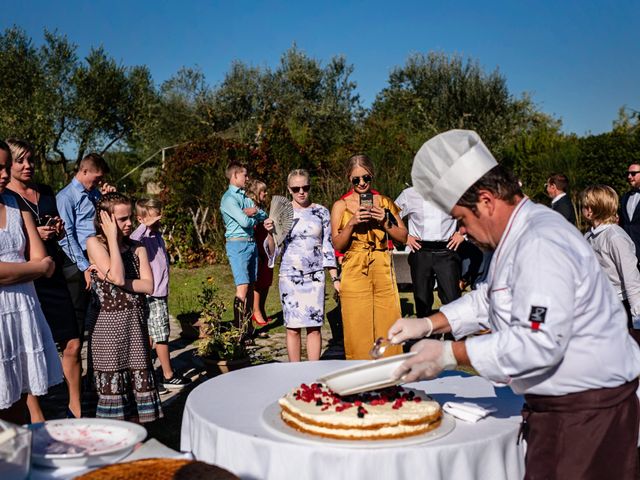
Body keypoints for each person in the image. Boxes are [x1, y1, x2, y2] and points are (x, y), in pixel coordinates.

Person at [389, 130, 640, 479]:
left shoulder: (540, 241)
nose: (465, 232)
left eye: (463, 220)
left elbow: (537, 342)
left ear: (488, 201)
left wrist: (450, 355)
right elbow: (492, 297)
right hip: (566, 410)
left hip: (586, 414)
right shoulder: (517, 234)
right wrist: (431, 323)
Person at [6, 139, 82, 420]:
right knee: (33, 347)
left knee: (72, 342)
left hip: (55, 272)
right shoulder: (8, 199)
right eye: (20, 161)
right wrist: (35, 233)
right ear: (8, 165)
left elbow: (60, 228)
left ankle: (75, 406)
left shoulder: (46, 191)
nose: (28, 166)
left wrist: (57, 230)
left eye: (31, 160)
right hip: (29, 279)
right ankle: (38, 408)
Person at [0, 140, 63, 424]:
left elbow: (46, 262)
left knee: (19, 393)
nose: (3, 173)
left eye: (4, 166)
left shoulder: (15, 204)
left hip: (24, 306)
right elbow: (38, 263)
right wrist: (34, 267)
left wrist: (29, 268)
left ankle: (20, 457)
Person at [85, 193, 163, 423]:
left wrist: (112, 277)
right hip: (107, 328)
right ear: (105, 221)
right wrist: (111, 238)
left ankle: (138, 434)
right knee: (112, 383)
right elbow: (118, 275)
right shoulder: (94, 243)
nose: (130, 223)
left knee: (135, 378)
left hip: (134, 323)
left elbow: (148, 285)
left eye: (129, 217)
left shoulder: (137, 247)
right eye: (122, 219)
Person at [331, 154, 408, 359]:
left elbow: (403, 236)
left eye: (366, 178)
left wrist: (385, 222)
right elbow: (337, 244)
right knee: (357, 321)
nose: (362, 183)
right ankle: (358, 369)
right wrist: (352, 223)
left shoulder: (384, 202)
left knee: (388, 318)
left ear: (371, 176)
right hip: (355, 265)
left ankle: (390, 370)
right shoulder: (341, 205)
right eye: (357, 179)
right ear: (349, 178)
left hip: (382, 263)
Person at [264, 169, 338, 361]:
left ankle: (314, 372)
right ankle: (294, 373)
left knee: (314, 327)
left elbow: (328, 245)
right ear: (289, 189)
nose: (301, 192)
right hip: (290, 276)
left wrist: (334, 277)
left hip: (315, 277)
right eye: (296, 188)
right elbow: (273, 251)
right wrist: (271, 233)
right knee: (293, 328)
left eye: (305, 187)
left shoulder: (321, 211)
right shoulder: (281, 214)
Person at [130, 198, 191, 393]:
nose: (158, 221)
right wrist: (143, 226)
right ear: (141, 218)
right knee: (161, 335)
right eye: (154, 218)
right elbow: (131, 240)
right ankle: (167, 375)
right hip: (152, 294)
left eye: (159, 216)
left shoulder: (157, 235)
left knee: (151, 335)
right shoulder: (141, 237)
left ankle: (149, 375)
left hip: (160, 292)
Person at [56, 153, 115, 343]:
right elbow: (66, 236)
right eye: (97, 178)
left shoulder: (95, 193)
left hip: (97, 254)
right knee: (79, 314)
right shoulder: (66, 197)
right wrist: (84, 266)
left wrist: (109, 199)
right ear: (84, 171)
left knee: (101, 307)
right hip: (77, 259)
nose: (99, 181)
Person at [395, 185, 464, 318]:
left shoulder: (455, 193)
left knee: (452, 300)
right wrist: (405, 237)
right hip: (420, 251)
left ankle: (452, 336)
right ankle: (426, 336)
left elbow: (473, 212)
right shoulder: (409, 194)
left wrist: (462, 234)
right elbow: (392, 214)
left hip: (447, 251)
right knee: (422, 301)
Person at [582, 185, 640, 341]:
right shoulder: (588, 235)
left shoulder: (615, 237)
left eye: (584, 206)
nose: (582, 209)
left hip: (620, 305)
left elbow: (632, 279)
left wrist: (637, 321)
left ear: (590, 210)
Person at [220, 161, 267, 331]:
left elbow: (263, 214)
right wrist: (252, 214)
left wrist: (253, 212)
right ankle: (239, 330)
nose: (247, 178)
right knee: (243, 287)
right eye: (244, 175)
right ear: (234, 176)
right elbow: (245, 221)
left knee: (251, 287)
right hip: (237, 245)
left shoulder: (244, 196)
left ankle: (247, 328)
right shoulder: (229, 198)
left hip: (251, 244)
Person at [245, 179, 272, 331]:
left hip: (266, 248)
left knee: (267, 280)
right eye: (263, 191)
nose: (266, 193)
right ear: (256, 193)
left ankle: (261, 308)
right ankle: (256, 311)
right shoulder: (250, 209)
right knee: (258, 282)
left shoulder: (261, 208)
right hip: (257, 248)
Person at [620, 163, 640, 266]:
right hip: (628, 253)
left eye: (633, 174)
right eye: (628, 174)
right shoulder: (624, 198)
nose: (629, 177)